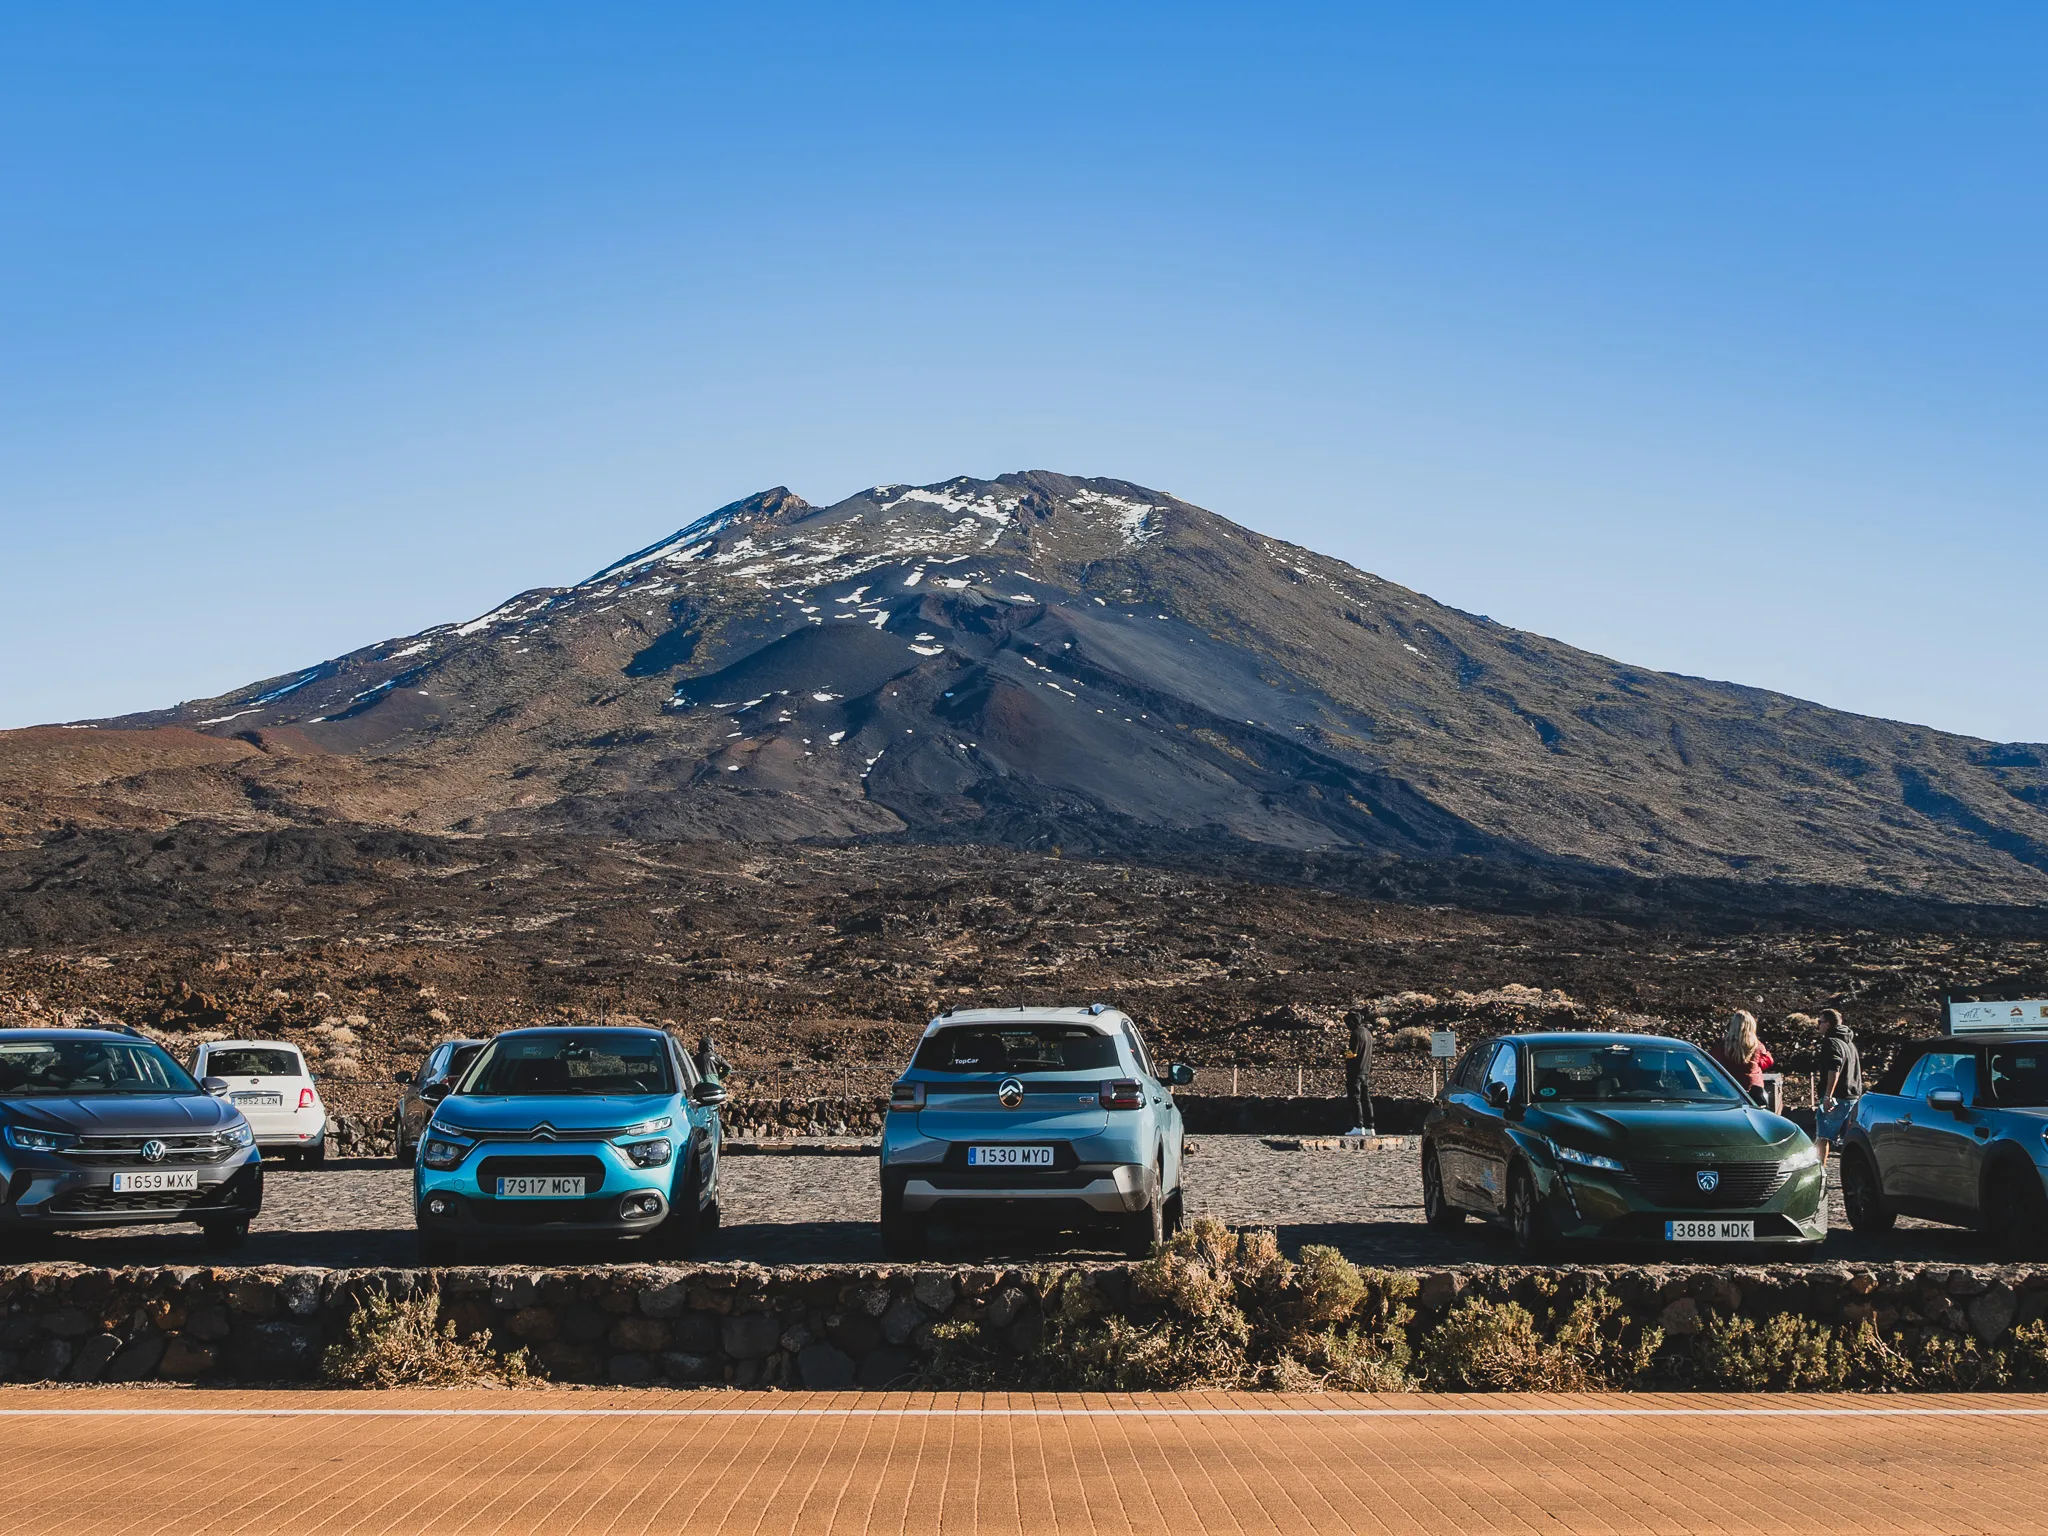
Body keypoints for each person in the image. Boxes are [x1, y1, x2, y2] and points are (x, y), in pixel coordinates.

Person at [1813, 1008, 1861, 1167]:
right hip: (1852, 1097)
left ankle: (1821, 1172)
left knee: (1823, 1137)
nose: (1818, 1026)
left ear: (1827, 1024)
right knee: (1849, 1140)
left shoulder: (1831, 1041)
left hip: (1836, 1097)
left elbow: (1834, 1069)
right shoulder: (1849, 1043)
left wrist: (1827, 1096)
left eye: (1819, 1022)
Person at [1712, 1010, 1773, 1104]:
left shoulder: (1722, 1046)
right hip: (1753, 1092)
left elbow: (1714, 1064)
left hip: (1729, 1091)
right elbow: (1768, 1062)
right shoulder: (1757, 1046)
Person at [1342, 1011, 1375, 1137]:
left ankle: (1358, 1126)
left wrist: (1343, 1053)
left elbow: (1353, 1053)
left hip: (1355, 1071)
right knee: (1366, 1099)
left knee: (1355, 1098)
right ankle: (1370, 1127)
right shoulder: (1368, 1033)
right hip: (1366, 1070)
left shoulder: (1356, 1033)